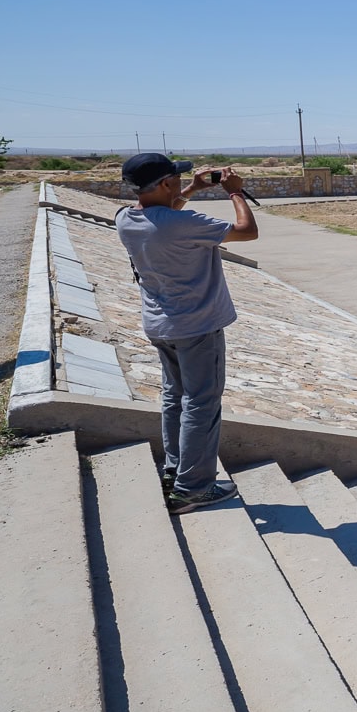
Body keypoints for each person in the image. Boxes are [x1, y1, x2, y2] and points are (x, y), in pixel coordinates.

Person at [115, 153, 259, 513]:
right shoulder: (180, 224)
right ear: (165, 184)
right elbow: (247, 231)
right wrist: (235, 193)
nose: (180, 183)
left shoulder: (125, 219)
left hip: (161, 324)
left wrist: (194, 187)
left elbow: (166, 211)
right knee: (201, 404)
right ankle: (193, 488)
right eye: (176, 179)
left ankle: (175, 471)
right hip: (197, 326)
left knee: (174, 397)